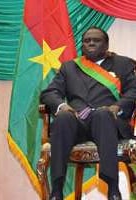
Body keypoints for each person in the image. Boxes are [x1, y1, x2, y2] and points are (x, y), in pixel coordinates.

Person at [40, 26, 136, 200]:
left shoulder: (123, 64)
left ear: (106, 45)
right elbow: (49, 93)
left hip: (108, 122)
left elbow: (133, 91)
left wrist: (118, 106)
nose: (91, 43)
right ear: (82, 46)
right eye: (87, 40)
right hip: (78, 122)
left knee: (102, 115)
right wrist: (62, 106)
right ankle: (57, 189)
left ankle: (112, 188)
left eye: (96, 40)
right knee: (62, 118)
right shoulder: (69, 67)